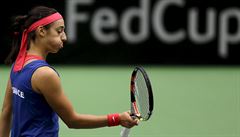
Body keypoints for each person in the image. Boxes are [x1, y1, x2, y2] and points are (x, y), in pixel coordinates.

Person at [0, 6, 138, 137]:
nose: (64, 37)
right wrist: (117, 119)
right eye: (59, 31)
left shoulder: (18, 65)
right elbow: (72, 120)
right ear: (41, 31)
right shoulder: (45, 74)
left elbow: (6, 111)